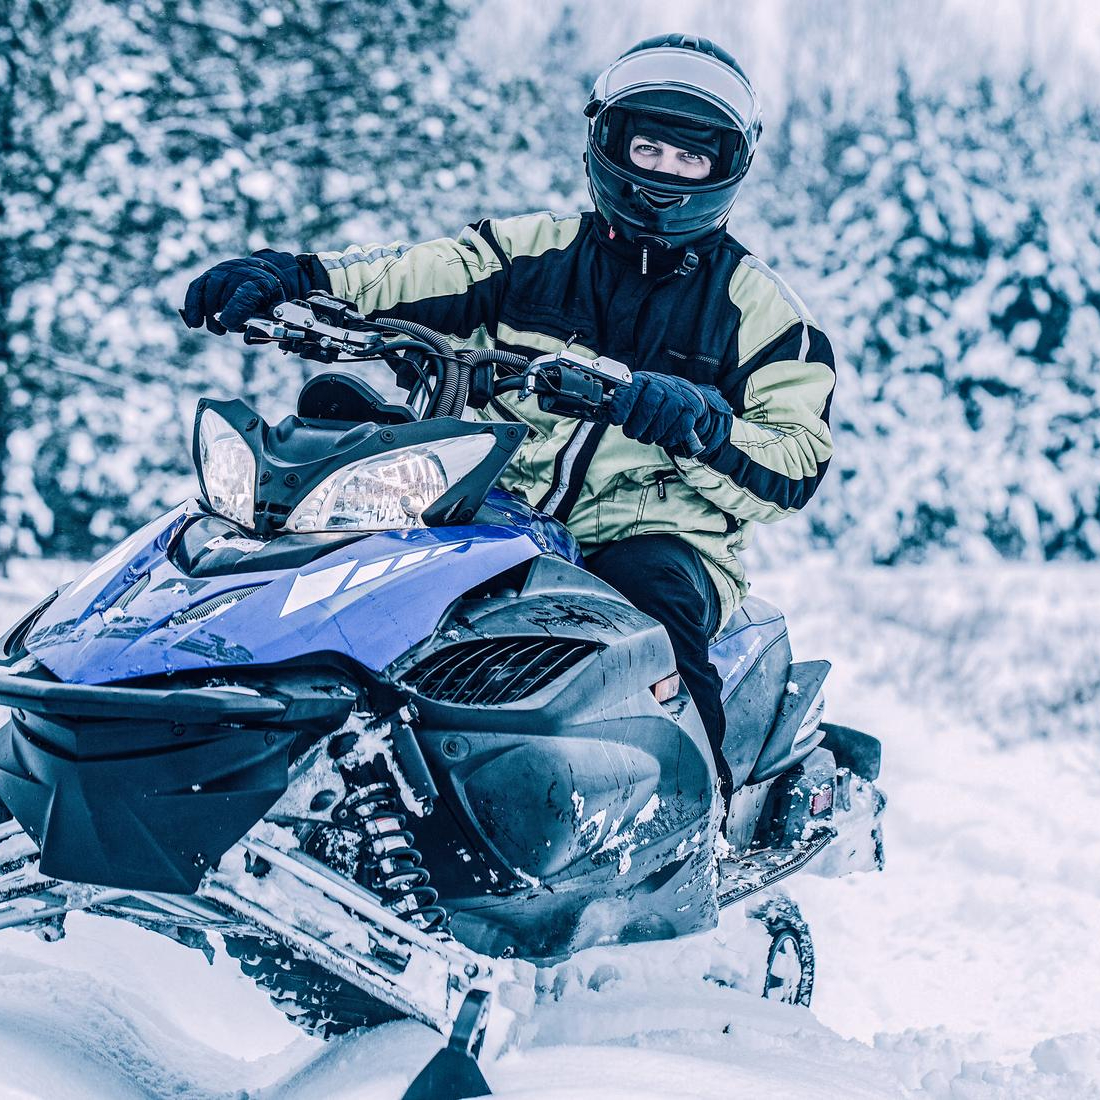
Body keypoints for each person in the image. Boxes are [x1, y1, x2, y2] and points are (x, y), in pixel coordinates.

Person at [181, 33, 836, 810]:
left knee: (652, 597)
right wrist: (296, 276)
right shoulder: (529, 251)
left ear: (725, 166)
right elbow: (408, 274)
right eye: (648, 146)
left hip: (656, 536)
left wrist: (691, 423)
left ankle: (699, 818)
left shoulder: (763, 313)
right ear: (607, 142)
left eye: (687, 159)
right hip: (496, 501)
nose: (662, 172)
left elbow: (795, 462)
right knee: (364, 559)